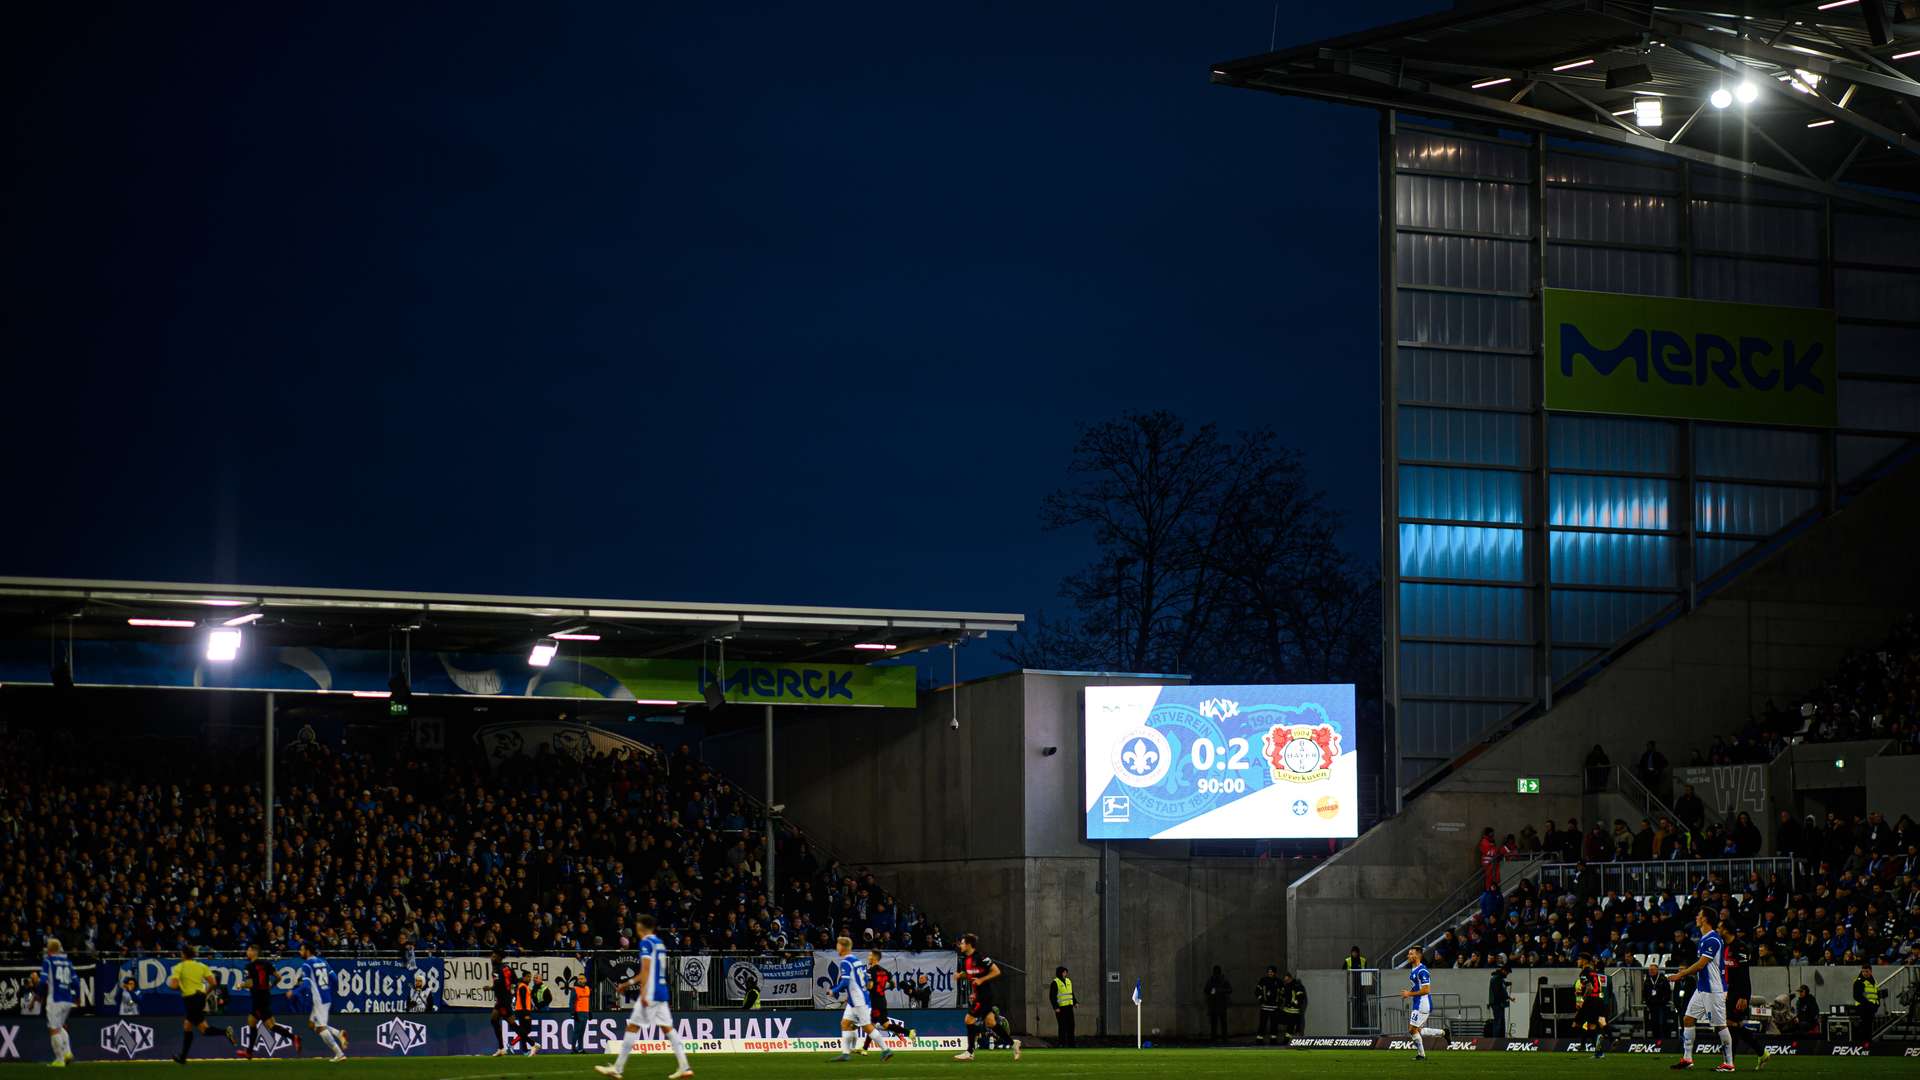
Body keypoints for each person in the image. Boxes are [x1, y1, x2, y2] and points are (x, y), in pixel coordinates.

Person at [596, 914, 693, 1079]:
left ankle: (617, 1069)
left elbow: (646, 970)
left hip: (651, 991)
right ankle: (684, 1067)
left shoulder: (646, 942)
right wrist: (627, 984)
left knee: (632, 1027)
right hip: (661, 990)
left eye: (637, 924)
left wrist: (642, 992)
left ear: (641, 926)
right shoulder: (659, 943)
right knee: (667, 1028)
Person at [1666, 908, 1732, 1072]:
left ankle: (1728, 1063)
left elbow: (1701, 964)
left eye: (1699, 915)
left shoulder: (1713, 939)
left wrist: (1681, 974)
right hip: (1702, 988)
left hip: (1714, 990)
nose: (1697, 917)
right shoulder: (1704, 939)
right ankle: (1688, 1059)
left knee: (1720, 1026)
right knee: (1688, 1018)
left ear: (1706, 919)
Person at [168, 944, 236, 1064]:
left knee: (199, 1028)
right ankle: (183, 1057)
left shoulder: (179, 967)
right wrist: (205, 993)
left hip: (190, 1000)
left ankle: (183, 1057)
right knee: (192, 1026)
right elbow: (213, 982)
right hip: (200, 998)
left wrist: (180, 986)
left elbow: (173, 985)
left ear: (183, 954)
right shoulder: (201, 966)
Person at [954, 933, 1017, 1062]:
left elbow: (996, 971)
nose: (960, 945)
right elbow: (971, 974)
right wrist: (961, 975)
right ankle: (1013, 1043)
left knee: (969, 1019)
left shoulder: (981, 957)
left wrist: (982, 980)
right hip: (978, 995)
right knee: (991, 1023)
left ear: (969, 945)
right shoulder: (965, 960)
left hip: (984, 995)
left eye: (962, 942)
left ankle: (970, 1052)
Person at [826, 935, 885, 1063]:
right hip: (855, 1000)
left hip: (859, 1000)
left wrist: (833, 991)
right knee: (845, 1024)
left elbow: (845, 982)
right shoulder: (856, 960)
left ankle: (886, 1050)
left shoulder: (845, 962)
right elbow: (865, 977)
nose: (837, 947)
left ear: (842, 947)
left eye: (838, 945)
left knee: (867, 1027)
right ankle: (845, 1053)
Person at [242, 943, 299, 1058]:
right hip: (265, 996)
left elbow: (250, 983)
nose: (247, 952)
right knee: (252, 1021)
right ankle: (249, 1052)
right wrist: (271, 985)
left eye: (248, 950)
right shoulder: (267, 964)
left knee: (270, 1025)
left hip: (259, 998)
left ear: (254, 951)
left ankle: (294, 1037)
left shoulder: (249, 966)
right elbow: (279, 977)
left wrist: (241, 985)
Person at [294, 942, 347, 1063]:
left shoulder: (306, 965)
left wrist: (295, 992)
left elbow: (307, 985)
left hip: (319, 999)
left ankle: (339, 1054)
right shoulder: (323, 961)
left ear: (308, 951)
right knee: (313, 1025)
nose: (300, 952)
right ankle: (339, 1034)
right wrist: (325, 989)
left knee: (321, 1028)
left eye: (301, 950)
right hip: (326, 996)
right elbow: (335, 979)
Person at [1399, 946, 1444, 1059]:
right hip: (1417, 1002)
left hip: (1423, 1004)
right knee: (1418, 1030)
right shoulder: (1414, 969)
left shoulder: (1422, 971)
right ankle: (1443, 1033)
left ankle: (1421, 1055)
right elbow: (1417, 987)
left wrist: (1409, 994)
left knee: (1412, 1029)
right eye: (1408, 954)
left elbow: (1426, 990)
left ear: (1418, 955)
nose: (1408, 956)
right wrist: (1409, 993)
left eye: (1411, 954)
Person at [865, 949, 914, 1047]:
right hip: (882, 1000)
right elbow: (893, 985)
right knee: (885, 1025)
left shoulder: (870, 971)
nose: (868, 957)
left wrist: (864, 985)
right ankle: (909, 1032)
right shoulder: (885, 971)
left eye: (870, 955)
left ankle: (864, 1048)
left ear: (874, 958)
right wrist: (882, 988)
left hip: (875, 1001)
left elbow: (870, 986)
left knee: (872, 1025)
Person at [41, 937, 77, 1068]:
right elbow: (76, 982)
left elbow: (42, 980)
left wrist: (39, 995)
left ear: (50, 950)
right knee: (60, 1026)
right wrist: (77, 996)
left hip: (55, 999)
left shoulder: (48, 961)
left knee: (54, 1029)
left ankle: (59, 1060)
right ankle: (67, 1053)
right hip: (67, 999)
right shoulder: (68, 962)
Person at [1572, 953, 1612, 1059]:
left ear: (1584, 961)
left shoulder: (1584, 972)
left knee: (1577, 1023)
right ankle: (1599, 1050)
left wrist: (1582, 1000)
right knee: (1593, 1026)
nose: (1577, 961)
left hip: (1590, 1001)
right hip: (1598, 1000)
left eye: (1579, 959)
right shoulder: (1594, 972)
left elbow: (1589, 988)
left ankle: (1586, 1046)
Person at [488, 949, 517, 1057]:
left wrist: (490, 988)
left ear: (499, 958)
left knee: (511, 1024)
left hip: (503, 1000)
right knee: (494, 1020)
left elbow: (498, 984)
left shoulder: (497, 969)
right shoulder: (507, 967)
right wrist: (511, 991)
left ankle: (533, 1044)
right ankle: (501, 1048)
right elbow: (514, 981)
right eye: (492, 956)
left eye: (494, 956)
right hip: (505, 999)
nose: (491, 958)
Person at [1643, 964, 1673, 1042]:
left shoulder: (1663, 979)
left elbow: (1667, 992)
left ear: (1657, 970)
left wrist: (1663, 1001)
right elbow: (1645, 992)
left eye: (1652, 970)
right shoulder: (1647, 980)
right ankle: (1655, 1040)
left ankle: (1665, 1041)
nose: (1651, 971)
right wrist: (1648, 1002)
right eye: (1650, 970)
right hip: (1652, 1005)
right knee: (1654, 1023)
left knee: (1662, 1023)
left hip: (1661, 1005)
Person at [1254, 965, 1282, 1044]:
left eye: (1272, 972)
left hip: (1274, 1008)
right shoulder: (1263, 980)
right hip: (1264, 1007)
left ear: (1275, 973)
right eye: (1269, 972)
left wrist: (1279, 1001)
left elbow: (1282, 993)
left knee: (1274, 1025)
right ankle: (1259, 1039)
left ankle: (1273, 1040)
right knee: (1262, 1024)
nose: (1270, 973)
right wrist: (1261, 1000)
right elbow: (1257, 991)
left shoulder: (1278, 982)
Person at [1050, 965, 1076, 1048]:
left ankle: (1071, 1043)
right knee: (1062, 1026)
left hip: (1069, 1007)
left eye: (1066, 972)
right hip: (1061, 1008)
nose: (1066, 973)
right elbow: (1052, 996)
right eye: (1064, 972)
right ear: (1060, 973)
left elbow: (1071, 993)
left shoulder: (1068, 981)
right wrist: (1055, 1007)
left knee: (1071, 1025)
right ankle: (1062, 1043)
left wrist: (1075, 1002)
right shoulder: (1055, 982)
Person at [1204, 965, 1232, 1042]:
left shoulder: (1223, 980)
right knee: (1215, 1023)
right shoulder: (1211, 980)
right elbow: (1206, 990)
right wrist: (1212, 991)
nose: (1216, 974)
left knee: (1222, 1022)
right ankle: (1215, 1038)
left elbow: (1230, 990)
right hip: (1215, 1004)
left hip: (1220, 1004)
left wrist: (1220, 990)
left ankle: (1223, 1038)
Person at [1280, 972, 1307, 1045]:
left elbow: (1300, 997)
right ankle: (1287, 1041)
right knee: (1289, 1026)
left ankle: (1290, 1041)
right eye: (1285, 980)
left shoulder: (1297, 985)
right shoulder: (1287, 985)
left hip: (1294, 1011)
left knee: (1293, 1027)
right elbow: (1285, 996)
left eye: (1287, 979)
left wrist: (1293, 1003)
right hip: (1288, 1010)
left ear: (1290, 978)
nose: (1286, 981)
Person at [1852, 966, 1878, 1037]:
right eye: (1863, 971)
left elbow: (1875, 994)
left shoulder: (1874, 981)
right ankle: (1863, 1045)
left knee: (1869, 1029)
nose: (1865, 973)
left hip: (1871, 1008)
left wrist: (1877, 1005)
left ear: (1871, 971)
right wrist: (1868, 1004)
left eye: (1867, 971)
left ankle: (1868, 1044)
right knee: (1863, 1028)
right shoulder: (1859, 981)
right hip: (1862, 1008)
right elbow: (1857, 996)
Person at [1487, 962, 1512, 1037]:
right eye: (1507, 972)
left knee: (1500, 1023)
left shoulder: (1498, 978)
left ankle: (1500, 1039)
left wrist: (1507, 984)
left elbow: (1501, 988)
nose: (1507, 974)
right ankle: (1496, 1040)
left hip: (1499, 1004)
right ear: (1503, 971)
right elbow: (1499, 992)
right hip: (1497, 1004)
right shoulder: (1496, 979)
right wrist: (1506, 998)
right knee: (1498, 1023)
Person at [569, 973, 591, 1053]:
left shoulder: (588, 988)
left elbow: (588, 1001)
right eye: (579, 979)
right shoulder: (575, 989)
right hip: (578, 1012)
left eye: (582, 978)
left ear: (585, 980)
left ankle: (580, 1049)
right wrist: (573, 1013)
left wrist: (590, 1012)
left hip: (585, 1012)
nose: (580, 980)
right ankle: (573, 1048)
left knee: (582, 1032)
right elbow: (572, 1002)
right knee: (576, 1031)